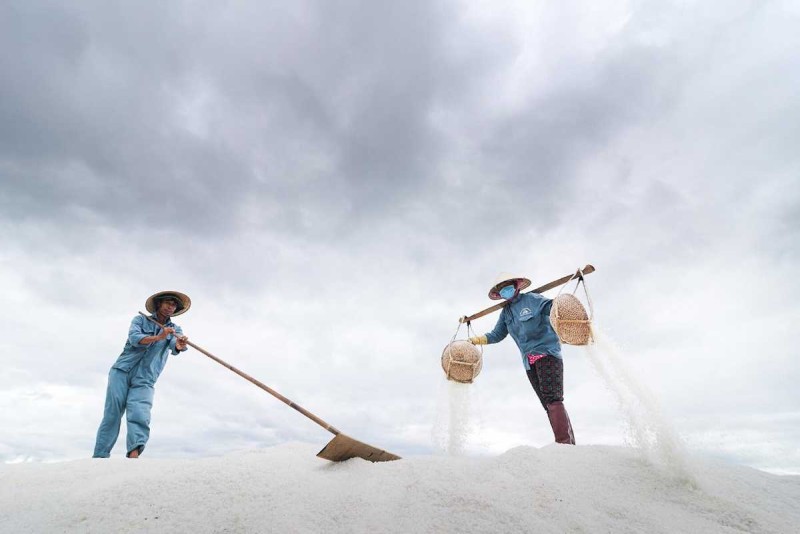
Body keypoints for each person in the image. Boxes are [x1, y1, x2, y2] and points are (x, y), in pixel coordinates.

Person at [469, 274, 575, 444]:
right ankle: (567, 443)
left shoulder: (532, 299)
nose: (506, 292)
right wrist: (477, 339)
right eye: (502, 290)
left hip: (547, 353)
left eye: (508, 287)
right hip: (529, 361)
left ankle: (565, 444)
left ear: (516, 286)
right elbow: (497, 334)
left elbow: (553, 309)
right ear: (499, 294)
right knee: (547, 403)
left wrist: (565, 307)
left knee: (553, 398)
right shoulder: (506, 313)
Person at [92, 291, 191, 458]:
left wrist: (180, 345)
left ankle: (134, 454)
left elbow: (176, 345)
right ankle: (100, 456)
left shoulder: (175, 329)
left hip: (145, 379)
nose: (171, 306)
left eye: (174, 305)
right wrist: (160, 336)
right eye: (168, 302)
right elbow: (135, 338)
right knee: (112, 414)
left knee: (140, 413)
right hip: (122, 372)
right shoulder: (140, 320)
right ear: (159, 303)